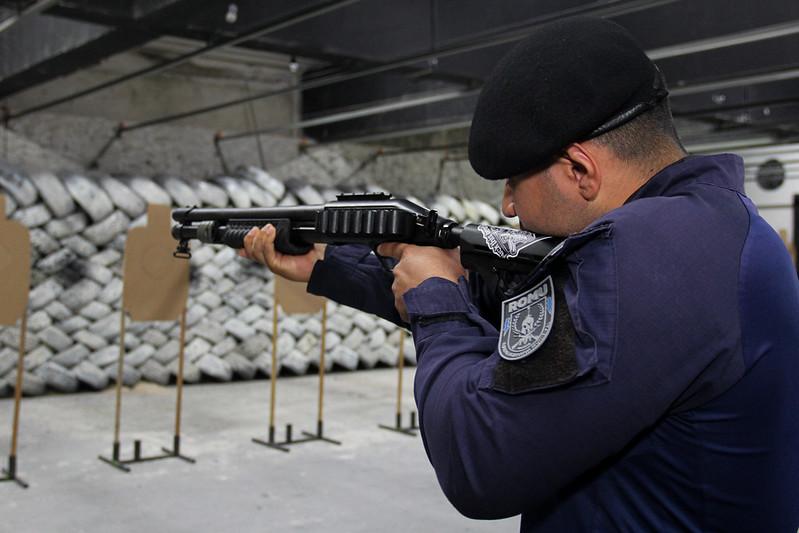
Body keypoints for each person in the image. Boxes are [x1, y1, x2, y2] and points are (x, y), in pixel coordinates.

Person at [239, 15, 799, 532]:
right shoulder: (708, 232)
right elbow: (511, 313)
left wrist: (436, 299)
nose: (507, 206)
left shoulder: (649, 254)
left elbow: (477, 461)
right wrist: (329, 265)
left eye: (513, 181)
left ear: (580, 170)